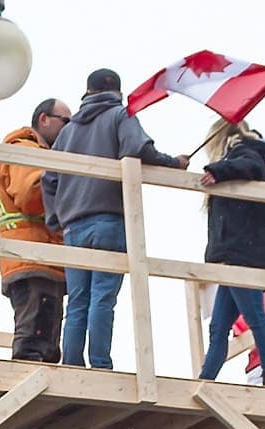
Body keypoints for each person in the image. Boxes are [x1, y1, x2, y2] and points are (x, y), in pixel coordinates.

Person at [46, 69, 186, 370]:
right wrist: (174, 163)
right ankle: (100, 364)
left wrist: (54, 218)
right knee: (103, 296)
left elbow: (49, 178)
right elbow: (139, 150)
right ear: (118, 93)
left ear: (87, 93)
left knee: (78, 301)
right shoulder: (121, 115)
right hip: (107, 219)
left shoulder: (67, 132)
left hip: (73, 228)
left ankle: (71, 362)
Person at [197, 119, 265, 387]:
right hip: (234, 255)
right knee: (219, 328)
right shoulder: (241, 154)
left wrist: (219, 170)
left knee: (254, 315)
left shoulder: (246, 151)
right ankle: (205, 381)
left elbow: (253, 167)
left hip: (242, 254)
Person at [0, 98, 73, 363]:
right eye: (66, 121)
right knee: (34, 342)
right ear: (44, 119)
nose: (69, 128)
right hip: (32, 256)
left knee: (47, 341)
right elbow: (30, 194)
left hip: (42, 256)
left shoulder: (39, 155)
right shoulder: (24, 150)